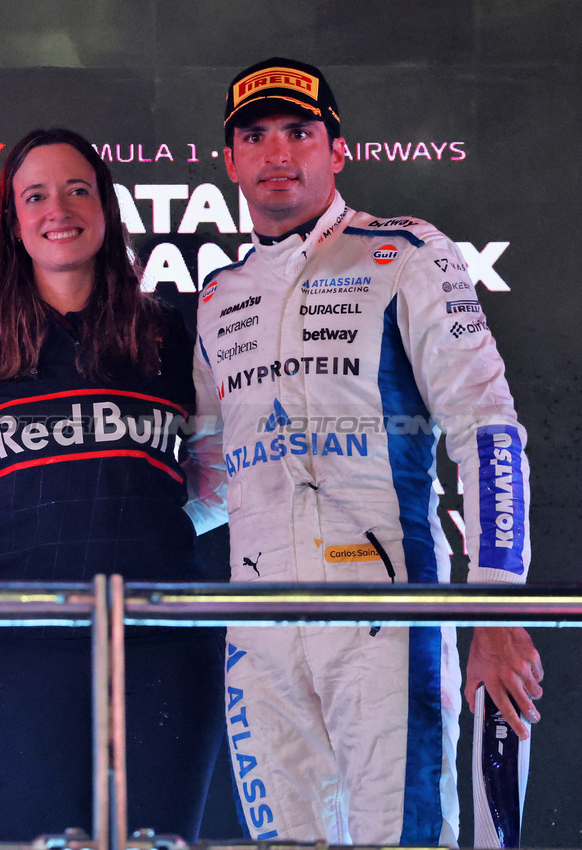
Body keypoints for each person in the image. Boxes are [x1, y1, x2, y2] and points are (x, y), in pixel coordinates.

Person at [186, 57, 544, 845]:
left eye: (299, 132)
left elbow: (487, 430)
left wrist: (495, 607)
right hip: (256, 626)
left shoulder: (405, 253)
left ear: (336, 150)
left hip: (383, 609)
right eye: (255, 136)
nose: (277, 152)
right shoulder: (218, 298)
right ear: (231, 162)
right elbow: (208, 480)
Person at [0, 128, 223, 841]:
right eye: (35, 195)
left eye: (77, 189)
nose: (58, 208)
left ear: (106, 210)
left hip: (159, 642)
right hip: (15, 651)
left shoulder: (170, 338)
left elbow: (217, 481)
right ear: (12, 220)